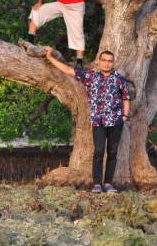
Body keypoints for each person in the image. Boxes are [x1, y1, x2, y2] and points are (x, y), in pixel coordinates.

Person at [44, 47, 130, 193]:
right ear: (99, 62)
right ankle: (97, 184)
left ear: (113, 63)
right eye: (104, 61)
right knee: (99, 150)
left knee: (112, 152)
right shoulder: (91, 76)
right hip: (98, 121)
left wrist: (124, 116)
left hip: (115, 120)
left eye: (110, 61)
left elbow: (125, 99)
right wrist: (50, 58)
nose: (107, 63)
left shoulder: (119, 79)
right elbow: (68, 70)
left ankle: (108, 183)